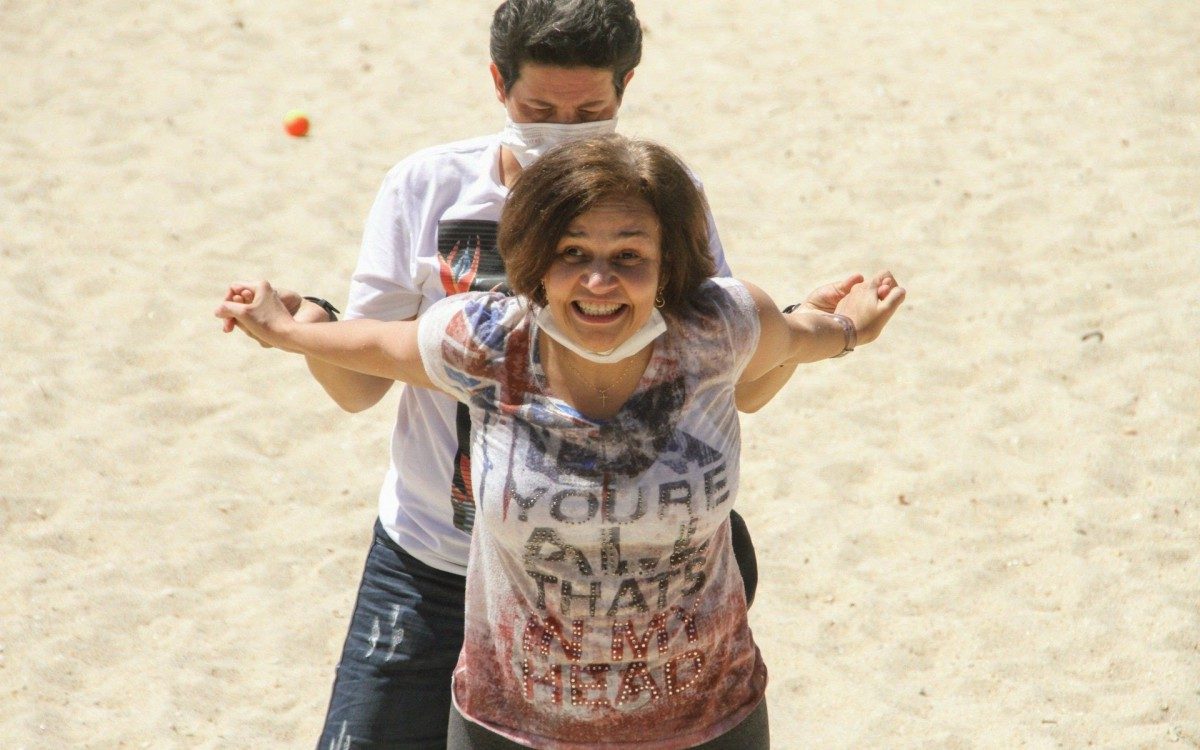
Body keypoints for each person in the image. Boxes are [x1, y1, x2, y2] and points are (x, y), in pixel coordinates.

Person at [224, 2, 887, 747]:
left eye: (589, 111)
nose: (561, 130)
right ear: (497, 85)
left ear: (625, 90)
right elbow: (361, 379)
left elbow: (727, 370)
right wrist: (305, 325)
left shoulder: (659, 195)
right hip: (436, 559)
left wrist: (803, 332)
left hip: (630, 576)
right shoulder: (424, 189)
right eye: (539, 109)